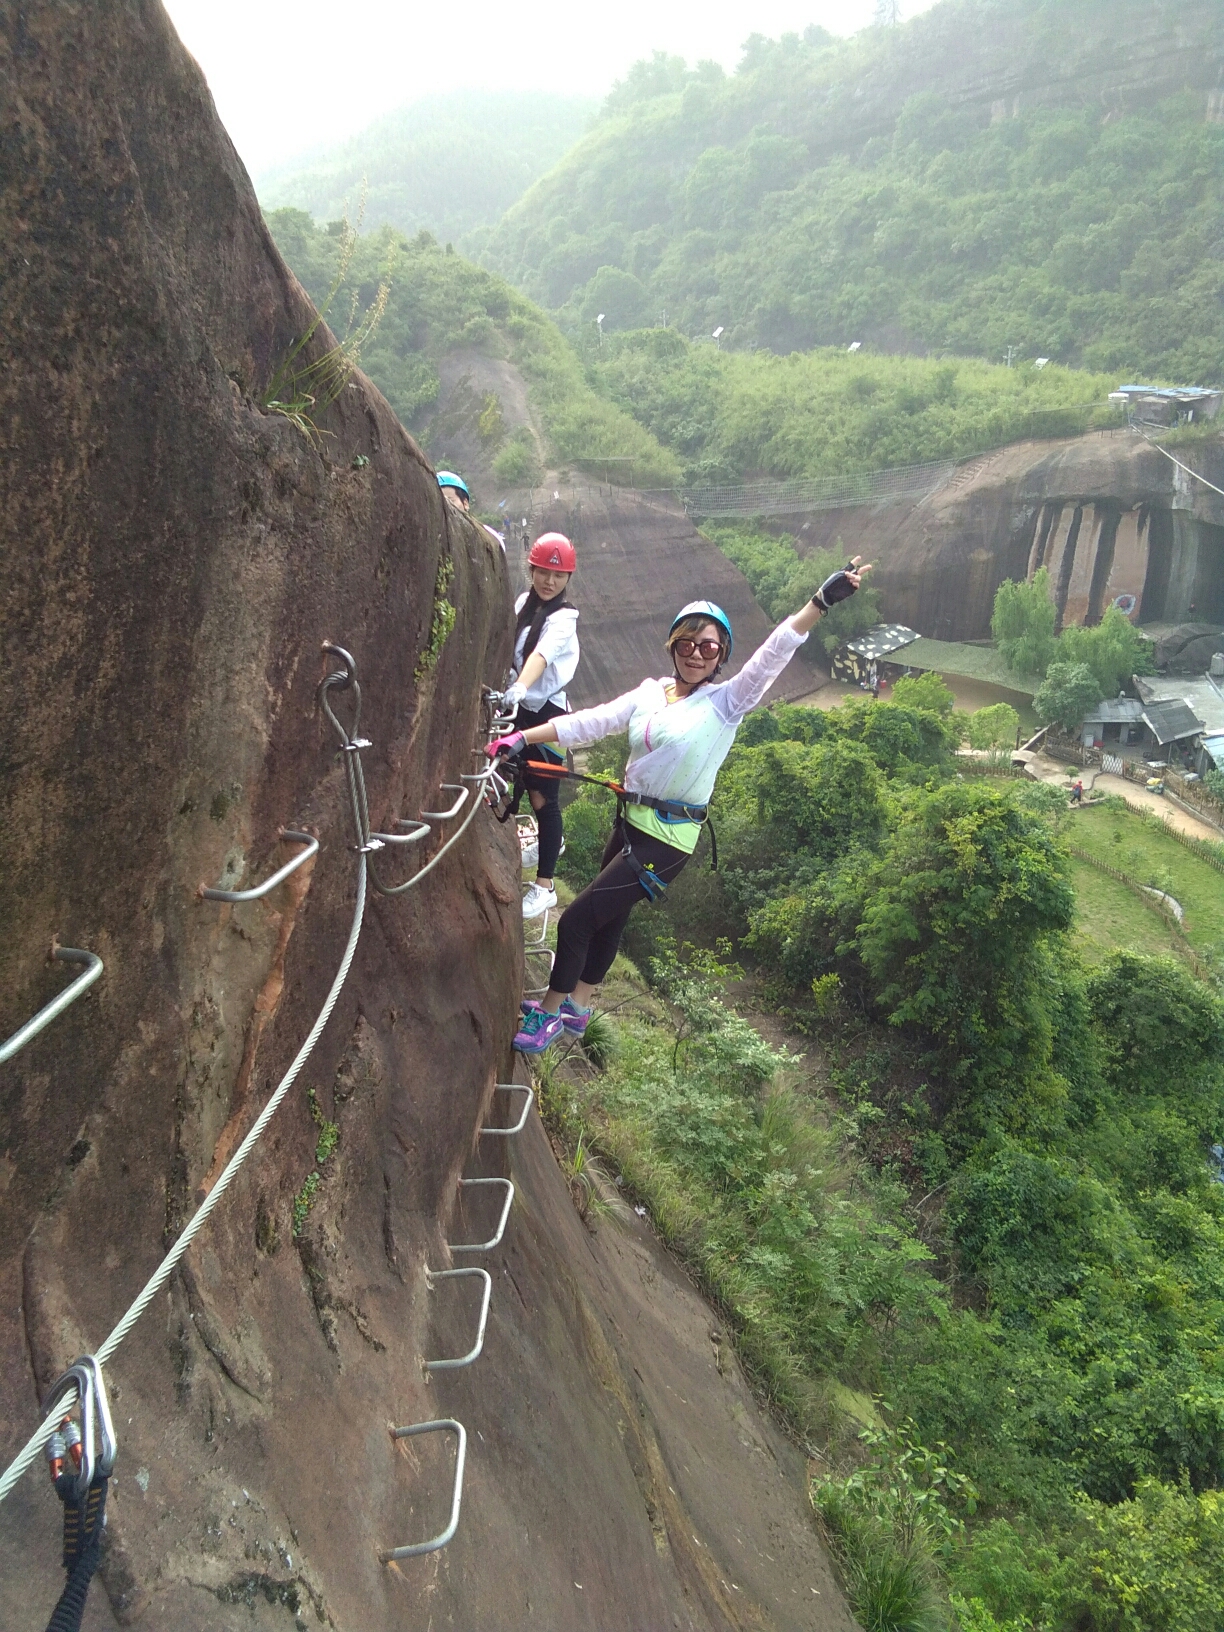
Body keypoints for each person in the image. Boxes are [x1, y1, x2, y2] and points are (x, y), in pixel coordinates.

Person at [490, 560, 870, 1053]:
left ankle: (548, 1015)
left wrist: (820, 601)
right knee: (610, 919)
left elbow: (775, 651)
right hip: (630, 822)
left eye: (708, 646)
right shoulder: (651, 692)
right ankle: (578, 1008)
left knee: (575, 920)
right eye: (686, 643)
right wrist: (522, 737)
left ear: (721, 655)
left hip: (667, 839)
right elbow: (588, 722)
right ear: (673, 646)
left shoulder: (727, 702)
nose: (695, 654)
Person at [501, 533, 580, 919]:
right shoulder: (522, 605)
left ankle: (546, 885)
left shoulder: (564, 618)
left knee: (543, 798)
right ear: (531, 569)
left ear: (568, 578)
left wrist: (519, 686)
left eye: (558, 574)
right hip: (520, 706)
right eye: (544, 572)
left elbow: (542, 655)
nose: (550, 581)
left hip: (547, 713)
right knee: (505, 775)